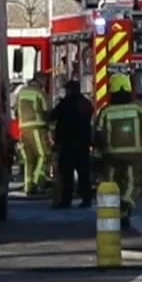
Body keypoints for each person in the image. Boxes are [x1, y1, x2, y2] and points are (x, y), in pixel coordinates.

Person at [94, 86, 142, 228]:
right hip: (134, 153)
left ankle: (119, 215)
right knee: (133, 182)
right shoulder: (138, 109)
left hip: (111, 154)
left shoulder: (106, 111)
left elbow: (97, 134)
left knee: (112, 183)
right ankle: (126, 201)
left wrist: (99, 151)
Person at [46, 78, 97, 209]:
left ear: (69, 90)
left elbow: (52, 116)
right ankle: (86, 199)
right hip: (82, 143)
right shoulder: (85, 104)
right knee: (84, 173)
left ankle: (66, 200)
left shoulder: (65, 104)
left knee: (67, 174)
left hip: (67, 143)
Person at [12, 76, 52, 196]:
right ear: (41, 81)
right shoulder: (40, 93)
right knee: (43, 155)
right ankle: (36, 183)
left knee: (28, 159)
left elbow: (15, 111)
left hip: (23, 129)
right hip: (37, 128)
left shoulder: (21, 93)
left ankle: (28, 187)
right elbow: (47, 112)